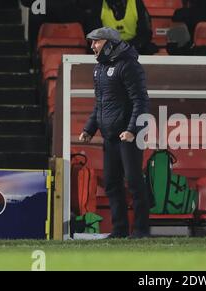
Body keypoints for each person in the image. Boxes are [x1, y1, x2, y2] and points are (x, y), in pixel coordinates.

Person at [79, 27, 150, 238]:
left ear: (109, 44)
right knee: (111, 183)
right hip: (110, 137)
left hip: (128, 137)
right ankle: (119, 230)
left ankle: (141, 231)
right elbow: (100, 104)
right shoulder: (99, 69)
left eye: (96, 42)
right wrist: (90, 128)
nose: (92, 46)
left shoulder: (129, 65)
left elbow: (141, 101)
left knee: (134, 182)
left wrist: (131, 130)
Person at [83, 0, 157, 54]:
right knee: (93, 50)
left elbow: (146, 33)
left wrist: (125, 47)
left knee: (149, 48)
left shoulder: (136, 3)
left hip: (134, 46)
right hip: (108, 48)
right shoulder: (98, 4)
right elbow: (94, 35)